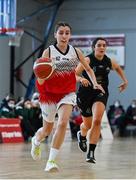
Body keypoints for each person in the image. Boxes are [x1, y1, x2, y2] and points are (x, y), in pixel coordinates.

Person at [30, 22, 104, 172]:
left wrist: (95, 83)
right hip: (49, 94)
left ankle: (51, 161)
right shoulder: (48, 52)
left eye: (67, 33)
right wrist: (41, 76)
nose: (64, 36)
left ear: (70, 35)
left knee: (63, 123)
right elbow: (41, 78)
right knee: (46, 130)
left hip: (67, 93)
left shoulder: (76, 52)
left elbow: (88, 69)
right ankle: (36, 141)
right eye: (61, 33)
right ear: (55, 35)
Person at [76, 37, 128, 163]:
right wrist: (81, 79)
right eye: (99, 45)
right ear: (94, 47)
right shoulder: (88, 59)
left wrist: (125, 81)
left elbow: (118, 68)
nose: (102, 47)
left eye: (104, 45)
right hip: (85, 94)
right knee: (87, 125)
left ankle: (91, 152)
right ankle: (82, 135)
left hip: (101, 92)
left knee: (97, 120)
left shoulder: (109, 61)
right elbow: (75, 73)